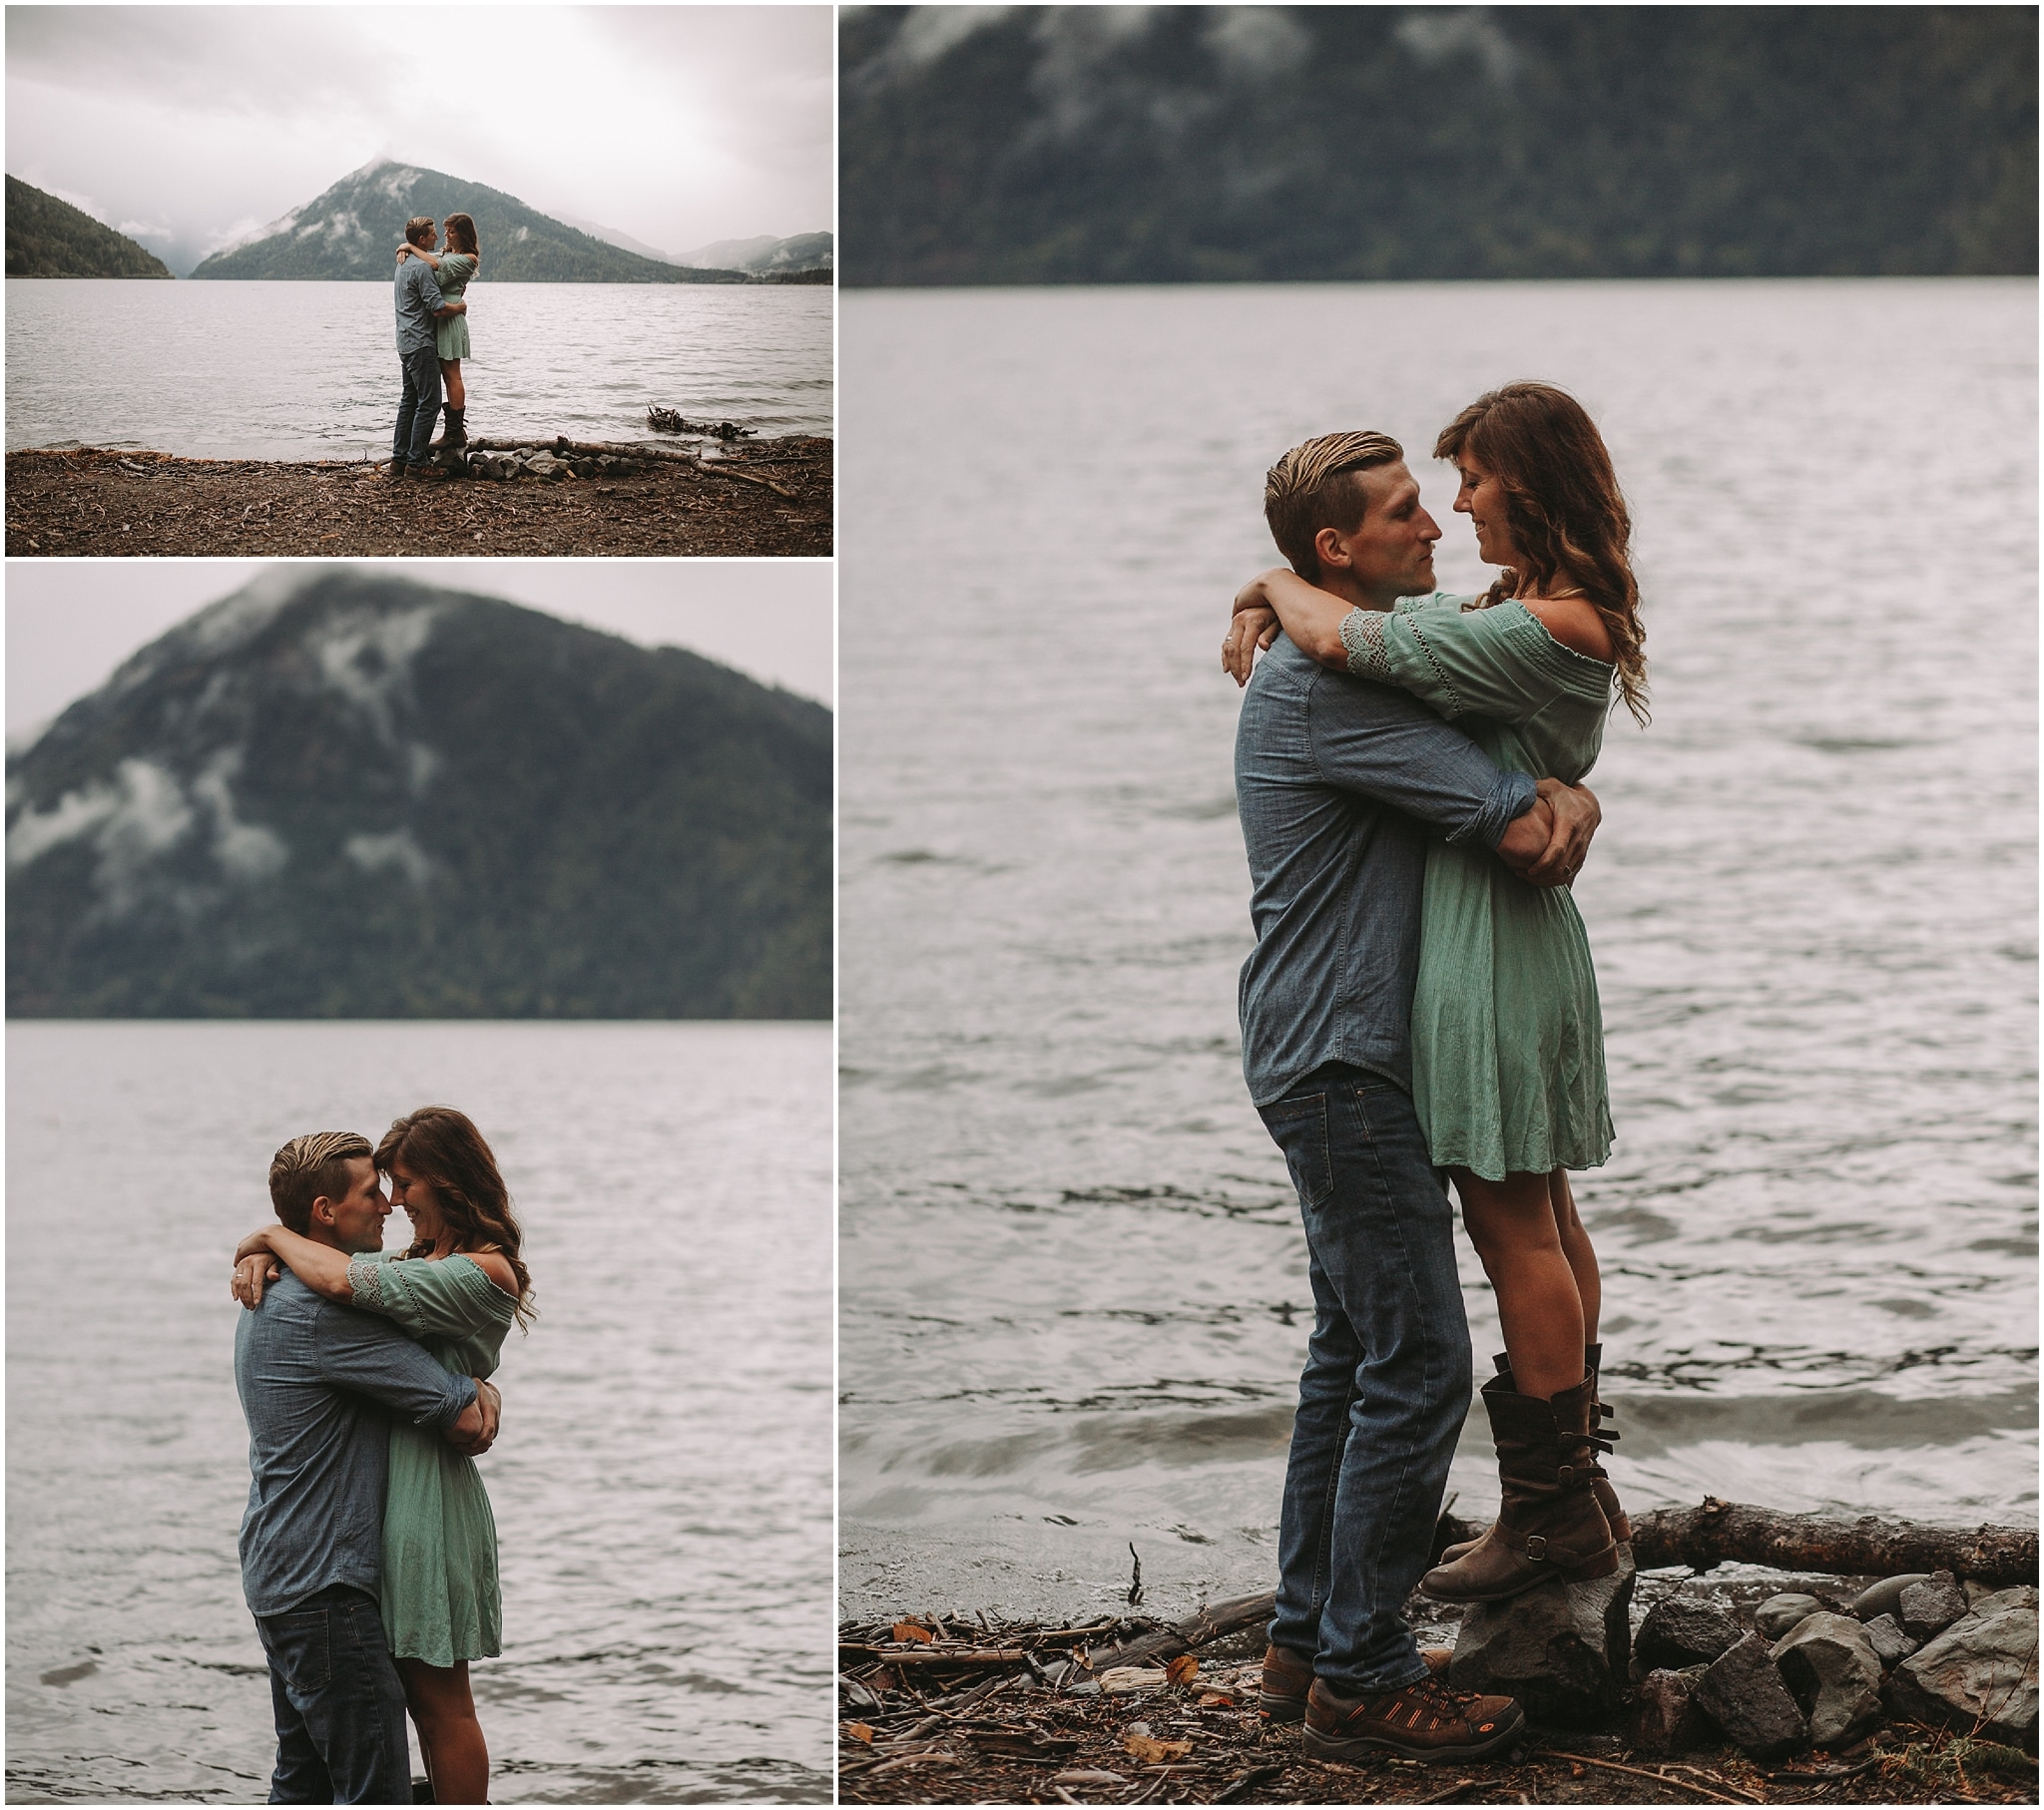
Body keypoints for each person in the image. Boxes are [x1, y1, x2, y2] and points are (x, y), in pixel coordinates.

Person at [1221, 426, 1608, 1765]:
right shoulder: (1333, 696)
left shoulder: (1345, 643)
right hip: (1346, 1058)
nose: (1435, 525)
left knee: (1352, 1346)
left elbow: (1428, 647)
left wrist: (1262, 589)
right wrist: (1561, 792)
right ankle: (1367, 1676)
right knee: (1420, 1358)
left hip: (1321, 1047)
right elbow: (1525, 831)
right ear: (1340, 549)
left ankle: (1304, 1638)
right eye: (1401, 513)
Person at [235, 1108, 532, 1806]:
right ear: (324, 1210)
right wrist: (479, 1393)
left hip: (285, 1570)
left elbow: (355, 1279)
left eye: (397, 1185)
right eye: (377, 1190)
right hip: (327, 1583)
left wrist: (265, 1243)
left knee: (307, 1779)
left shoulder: (286, 1293)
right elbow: (460, 1410)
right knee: (375, 1790)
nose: (390, 1206)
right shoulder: (322, 1310)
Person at [391, 216, 468, 480]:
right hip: (421, 343)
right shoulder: (422, 269)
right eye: (433, 234)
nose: (437, 237)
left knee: (409, 401)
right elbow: (437, 309)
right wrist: (460, 307)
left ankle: (399, 460)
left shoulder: (403, 263)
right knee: (430, 403)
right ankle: (417, 463)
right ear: (422, 239)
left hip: (404, 341)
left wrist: (406, 247)